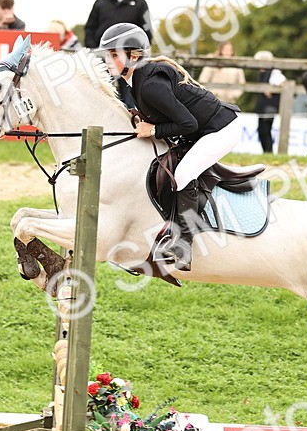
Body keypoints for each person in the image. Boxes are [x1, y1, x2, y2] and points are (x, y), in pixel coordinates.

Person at [98, 23, 240, 272]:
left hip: (221, 130)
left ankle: (183, 244)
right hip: (203, 129)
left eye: (113, 54)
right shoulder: (138, 79)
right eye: (106, 54)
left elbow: (187, 123)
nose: (107, 60)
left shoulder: (149, 83)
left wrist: (152, 130)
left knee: (183, 174)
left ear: (133, 56)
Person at [252, 50, 285, 154]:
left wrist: (271, 89)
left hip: (270, 105)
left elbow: (283, 82)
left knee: (265, 129)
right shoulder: (264, 73)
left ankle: (268, 151)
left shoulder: (274, 72)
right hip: (263, 105)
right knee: (262, 130)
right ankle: (267, 151)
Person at [198, 42, 246, 106]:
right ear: (220, 50)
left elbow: (242, 83)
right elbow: (203, 80)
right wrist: (213, 93)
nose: (228, 52)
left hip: (230, 102)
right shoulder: (212, 63)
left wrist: (234, 95)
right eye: (226, 49)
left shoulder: (237, 65)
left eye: (230, 49)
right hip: (213, 100)